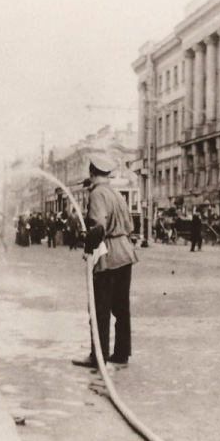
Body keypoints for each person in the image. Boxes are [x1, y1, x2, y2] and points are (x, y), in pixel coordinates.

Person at [72, 154, 139, 368]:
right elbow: (130, 225)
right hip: (125, 254)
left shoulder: (97, 194)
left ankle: (97, 356)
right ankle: (121, 353)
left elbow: (99, 226)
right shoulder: (116, 194)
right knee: (121, 308)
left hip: (107, 257)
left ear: (92, 173)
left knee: (100, 308)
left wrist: (88, 244)